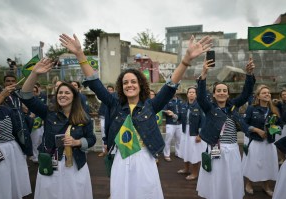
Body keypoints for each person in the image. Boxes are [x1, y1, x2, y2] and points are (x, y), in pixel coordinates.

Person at [59, 33, 212, 199]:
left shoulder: (151, 105)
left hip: (145, 158)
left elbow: (170, 86)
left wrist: (186, 60)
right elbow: (95, 83)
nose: (129, 85)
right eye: (125, 82)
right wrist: (80, 54)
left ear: (140, 85)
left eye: (133, 81)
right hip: (120, 157)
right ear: (121, 87)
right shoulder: (114, 103)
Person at [19, 62, 96, 199]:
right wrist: (34, 73)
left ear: (74, 96)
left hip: (75, 165)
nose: (62, 95)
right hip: (51, 165)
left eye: (67, 92)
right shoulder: (48, 112)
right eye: (60, 92)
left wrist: (77, 142)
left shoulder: (84, 117)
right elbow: (25, 95)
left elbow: (91, 139)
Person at [196, 58, 256, 199]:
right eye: (218, 91)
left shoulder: (233, 105)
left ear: (228, 94)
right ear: (214, 94)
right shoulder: (209, 108)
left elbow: (246, 94)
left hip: (233, 149)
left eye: (224, 91)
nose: (222, 93)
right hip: (216, 148)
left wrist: (249, 74)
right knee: (215, 180)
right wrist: (204, 74)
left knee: (232, 178)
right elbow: (201, 97)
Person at [0, 83, 31, 199]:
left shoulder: (7, 110)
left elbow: (18, 128)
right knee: (0, 181)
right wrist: (2, 96)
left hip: (11, 148)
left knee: (13, 179)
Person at [242, 85, 281, 197]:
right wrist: (256, 130)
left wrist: (274, 129)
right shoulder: (251, 108)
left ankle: (266, 186)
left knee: (269, 164)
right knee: (252, 164)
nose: (267, 94)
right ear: (258, 96)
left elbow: (279, 124)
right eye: (264, 93)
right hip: (255, 141)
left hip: (269, 142)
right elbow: (244, 123)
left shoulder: (273, 109)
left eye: (268, 93)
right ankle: (249, 184)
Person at [177, 86, 206, 180]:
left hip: (195, 133)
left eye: (193, 92)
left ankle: (194, 173)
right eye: (190, 92)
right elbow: (180, 118)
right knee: (185, 151)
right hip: (185, 131)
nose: (191, 93)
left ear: (196, 94)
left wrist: (200, 134)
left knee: (194, 153)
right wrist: (173, 115)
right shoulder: (184, 105)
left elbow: (204, 121)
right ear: (187, 94)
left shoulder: (200, 106)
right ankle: (186, 169)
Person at [3, 73, 33, 156]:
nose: (10, 83)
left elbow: (28, 115)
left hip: (21, 130)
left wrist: (27, 114)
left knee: (22, 156)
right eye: (8, 81)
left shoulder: (20, 96)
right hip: (7, 135)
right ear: (4, 83)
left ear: (16, 83)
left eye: (13, 81)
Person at [273, 85, 286, 199]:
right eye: (283, 94)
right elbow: (284, 118)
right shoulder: (283, 105)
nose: (285, 96)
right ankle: (282, 158)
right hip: (284, 127)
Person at [163, 93, 183, 161]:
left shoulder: (180, 100)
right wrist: (167, 112)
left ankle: (178, 153)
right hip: (170, 123)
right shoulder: (167, 100)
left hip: (179, 123)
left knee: (179, 140)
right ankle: (166, 155)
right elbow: (163, 110)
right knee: (168, 139)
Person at [97, 84, 115, 157]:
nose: (110, 91)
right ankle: (104, 151)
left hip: (112, 119)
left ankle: (111, 150)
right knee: (103, 135)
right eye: (108, 90)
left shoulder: (115, 99)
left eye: (111, 90)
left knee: (110, 134)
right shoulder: (105, 98)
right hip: (103, 118)